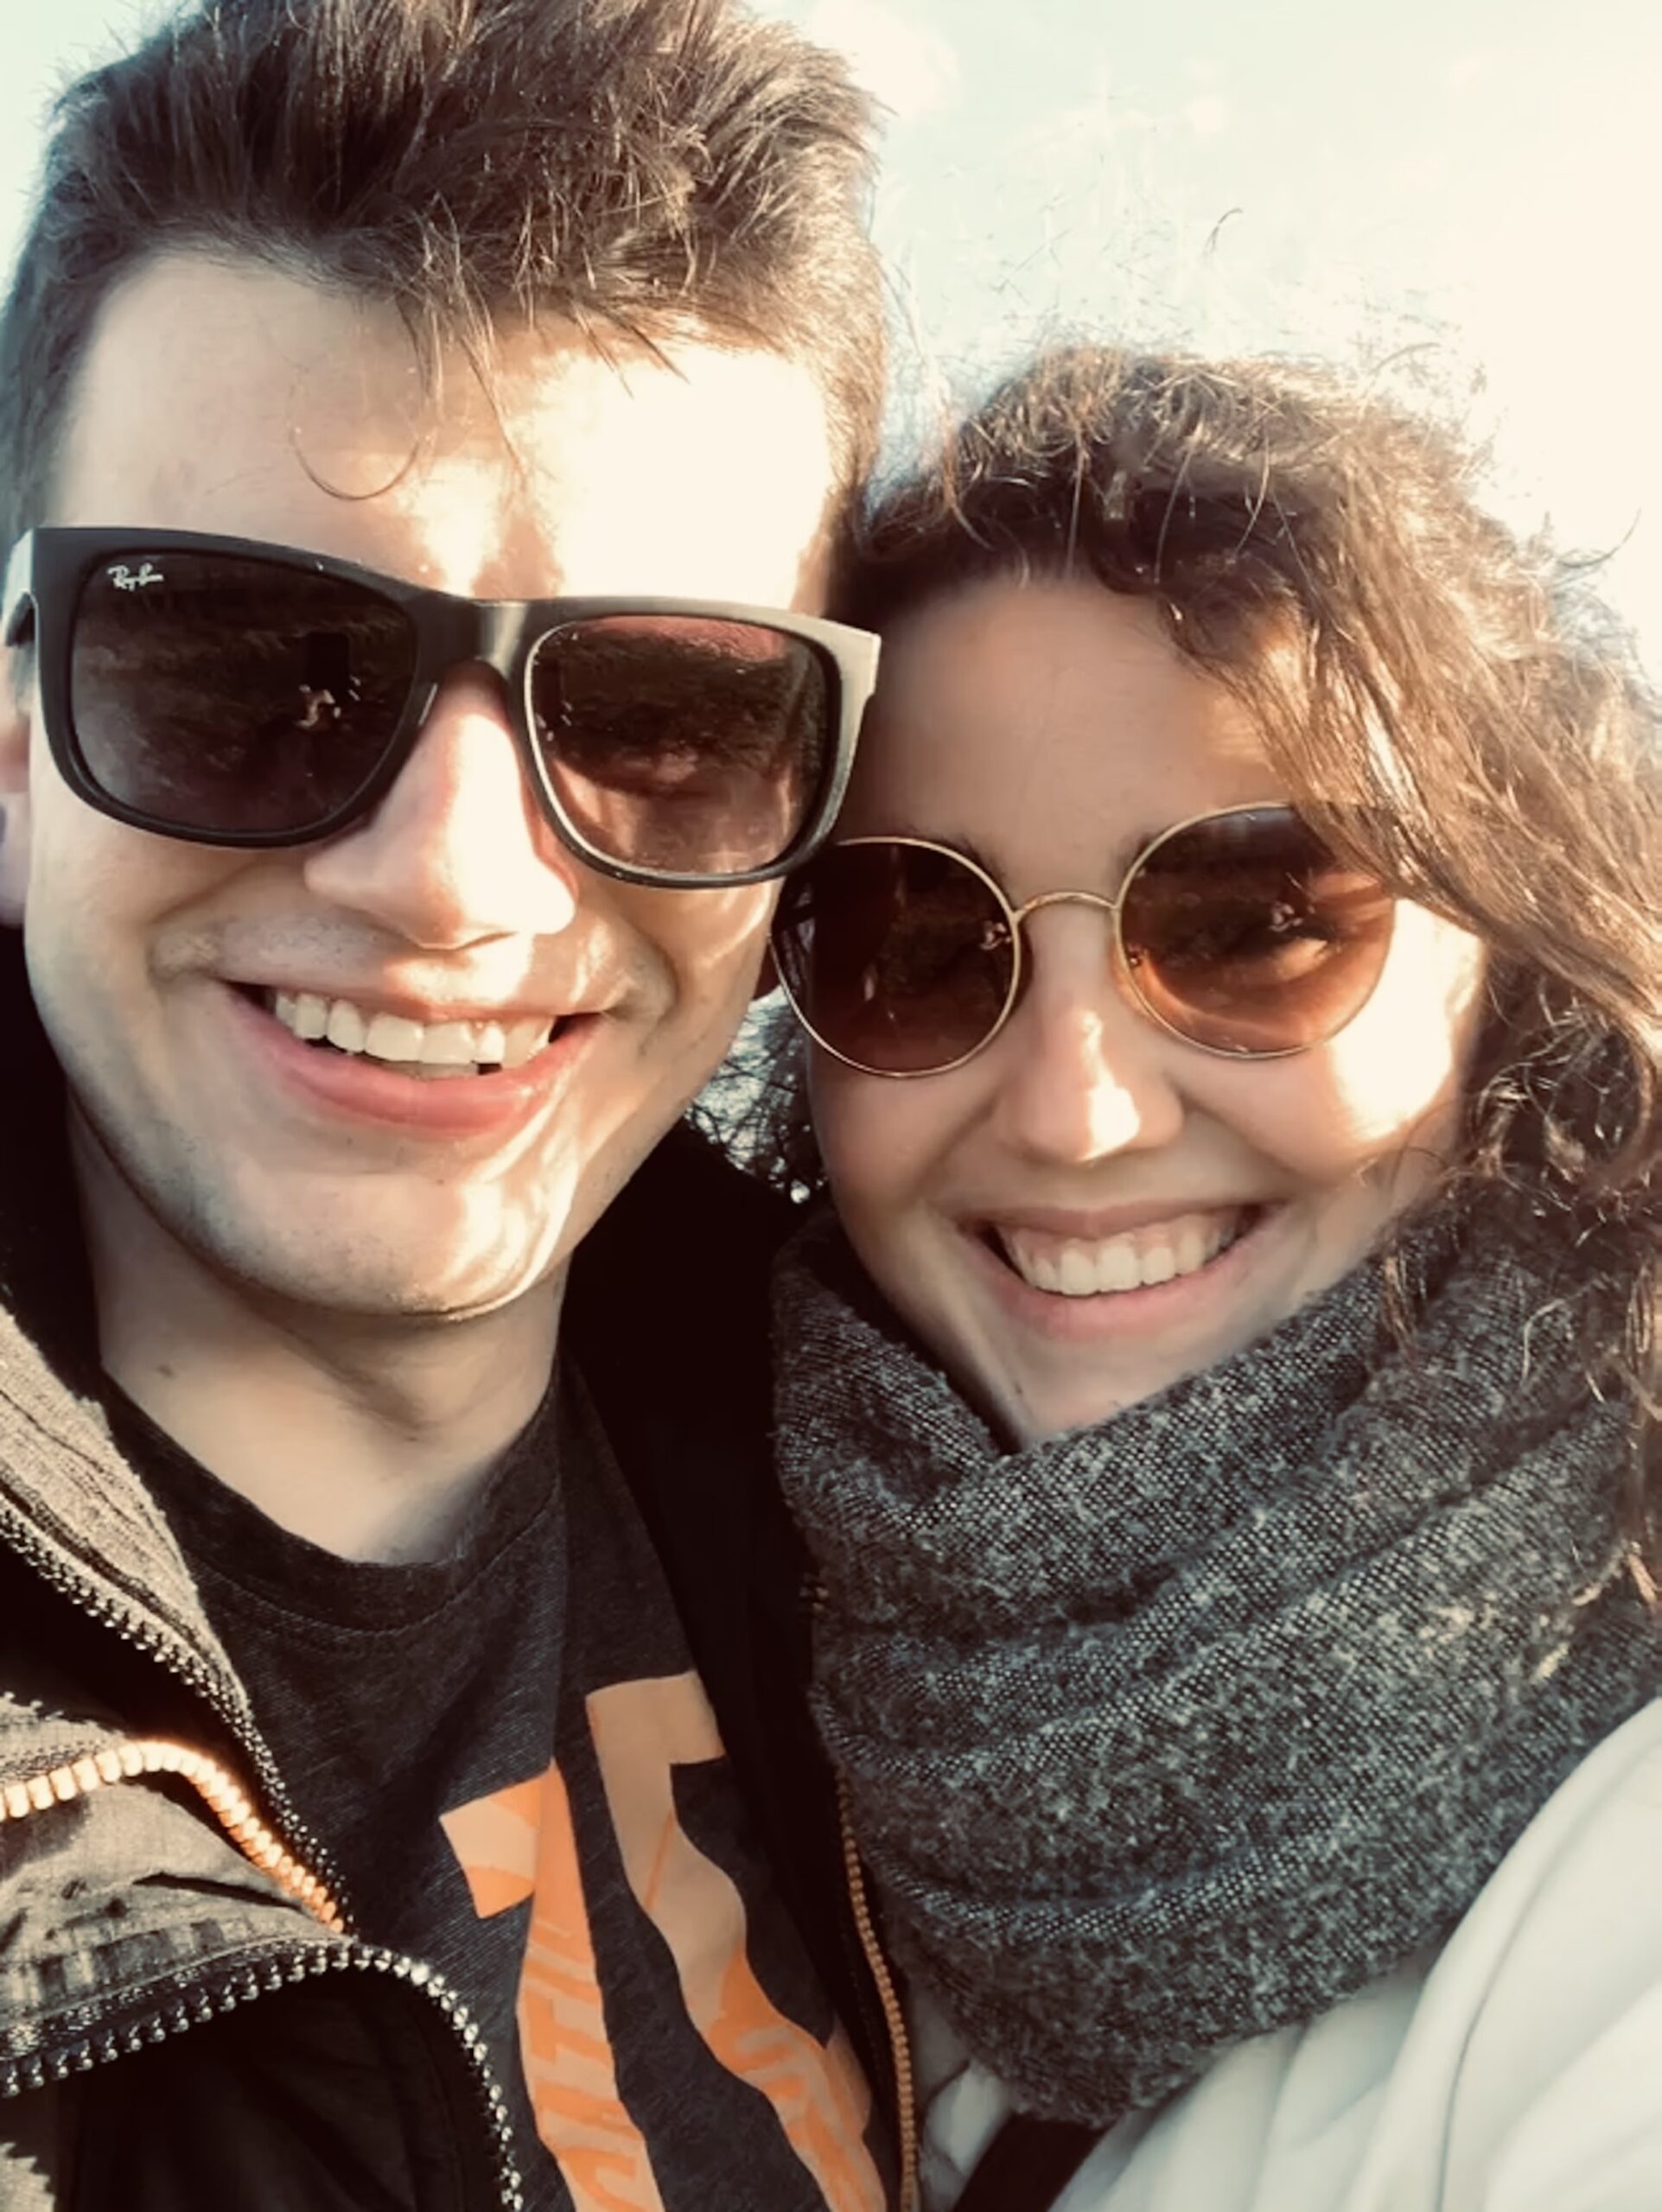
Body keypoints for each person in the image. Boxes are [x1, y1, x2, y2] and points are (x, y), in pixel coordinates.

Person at [0, 2, 909, 2205]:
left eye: (664, 713)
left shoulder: (913, 1490)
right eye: (239, 664)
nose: (453, 881)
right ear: (16, 766)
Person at [765, 346, 1662, 2211]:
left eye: (1251, 919)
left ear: (1504, 966)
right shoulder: (679, 1621)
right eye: (916, 940)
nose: (1074, 1111)